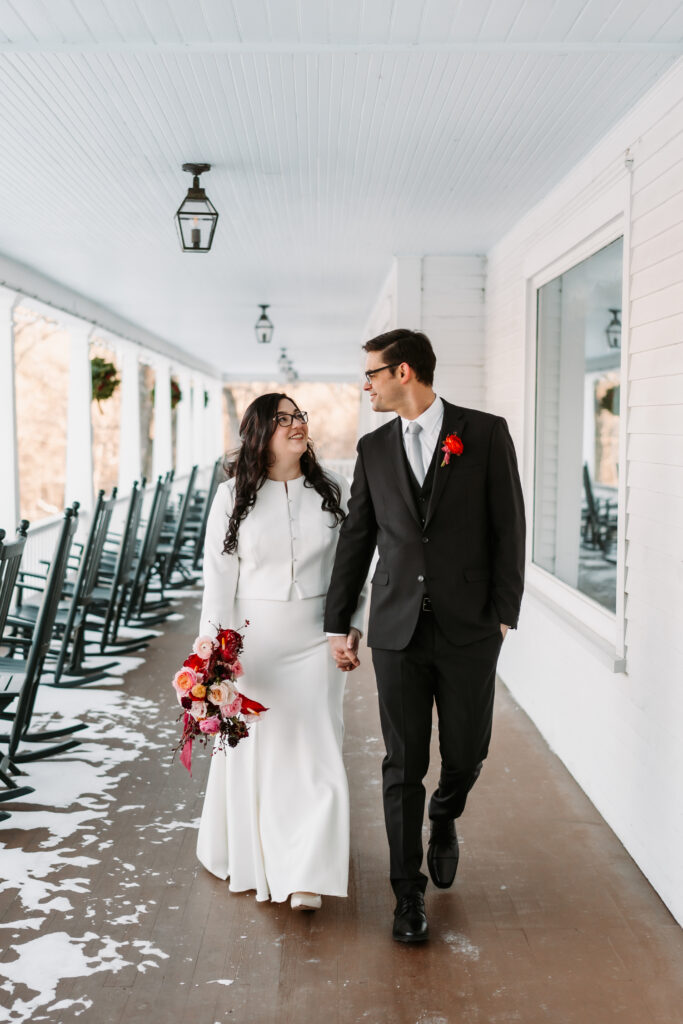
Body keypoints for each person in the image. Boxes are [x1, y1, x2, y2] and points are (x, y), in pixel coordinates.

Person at [325, 329, 525, 943]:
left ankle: (445, 813)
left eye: (372, 373)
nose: (366, 385)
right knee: (402, 761)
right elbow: (358, 536)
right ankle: (406, 894)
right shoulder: (373, 447)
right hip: (396, 629)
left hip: (470, 627)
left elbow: (509, 526)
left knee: (466, 752)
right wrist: (339, 621)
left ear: (403, 371)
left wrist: (504, 613)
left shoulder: (484, 433)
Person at [196, 393, 365, 910]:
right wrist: (213, 652)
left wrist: (352, 627)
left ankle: (307, 873)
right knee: (262, 754)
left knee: (318, 749)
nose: (297, 425)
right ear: (260, 433)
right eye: (283, 419)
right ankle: (261, 856)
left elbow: (354, 567)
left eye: (299, 417)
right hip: (254, 644)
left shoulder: (332, 489)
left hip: (318, 638)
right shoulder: (231, 496)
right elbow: (218, 577)